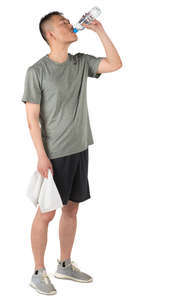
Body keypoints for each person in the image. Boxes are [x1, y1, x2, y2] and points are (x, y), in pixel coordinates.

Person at [21, 11, 122, 295]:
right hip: (55, 154)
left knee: (72, 207)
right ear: (50, 34)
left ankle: (64, 264)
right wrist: (41, 155)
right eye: (63, 23)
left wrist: (100, 30)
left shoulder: (80, 63)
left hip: (80, 147)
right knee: (46, 214)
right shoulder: (37, 72)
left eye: (68, 20)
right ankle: (38, 271)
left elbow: (115, 63)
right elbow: (32, 120)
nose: (70, 23)